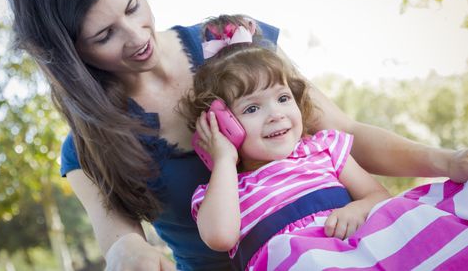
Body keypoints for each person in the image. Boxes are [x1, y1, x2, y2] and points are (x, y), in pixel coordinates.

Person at [6, 0, 468, 271]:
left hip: (345, 249)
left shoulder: (234, 43)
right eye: (105, 35)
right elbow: (118, 234)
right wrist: (128, 252)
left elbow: (342, 132)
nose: (135, 36)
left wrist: (448, 162)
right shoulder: (88, 144)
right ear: (70, 54)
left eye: (131, 6)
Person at [180, 15, 468, 270]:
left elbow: (378, 196)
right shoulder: (223, 189)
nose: (276, 115)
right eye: (252, 108)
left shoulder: (323, 147)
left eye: (282, 98)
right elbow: (220, 236)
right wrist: (224, 160)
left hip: (369, 246)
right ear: (222, 125)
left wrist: (355, 209)